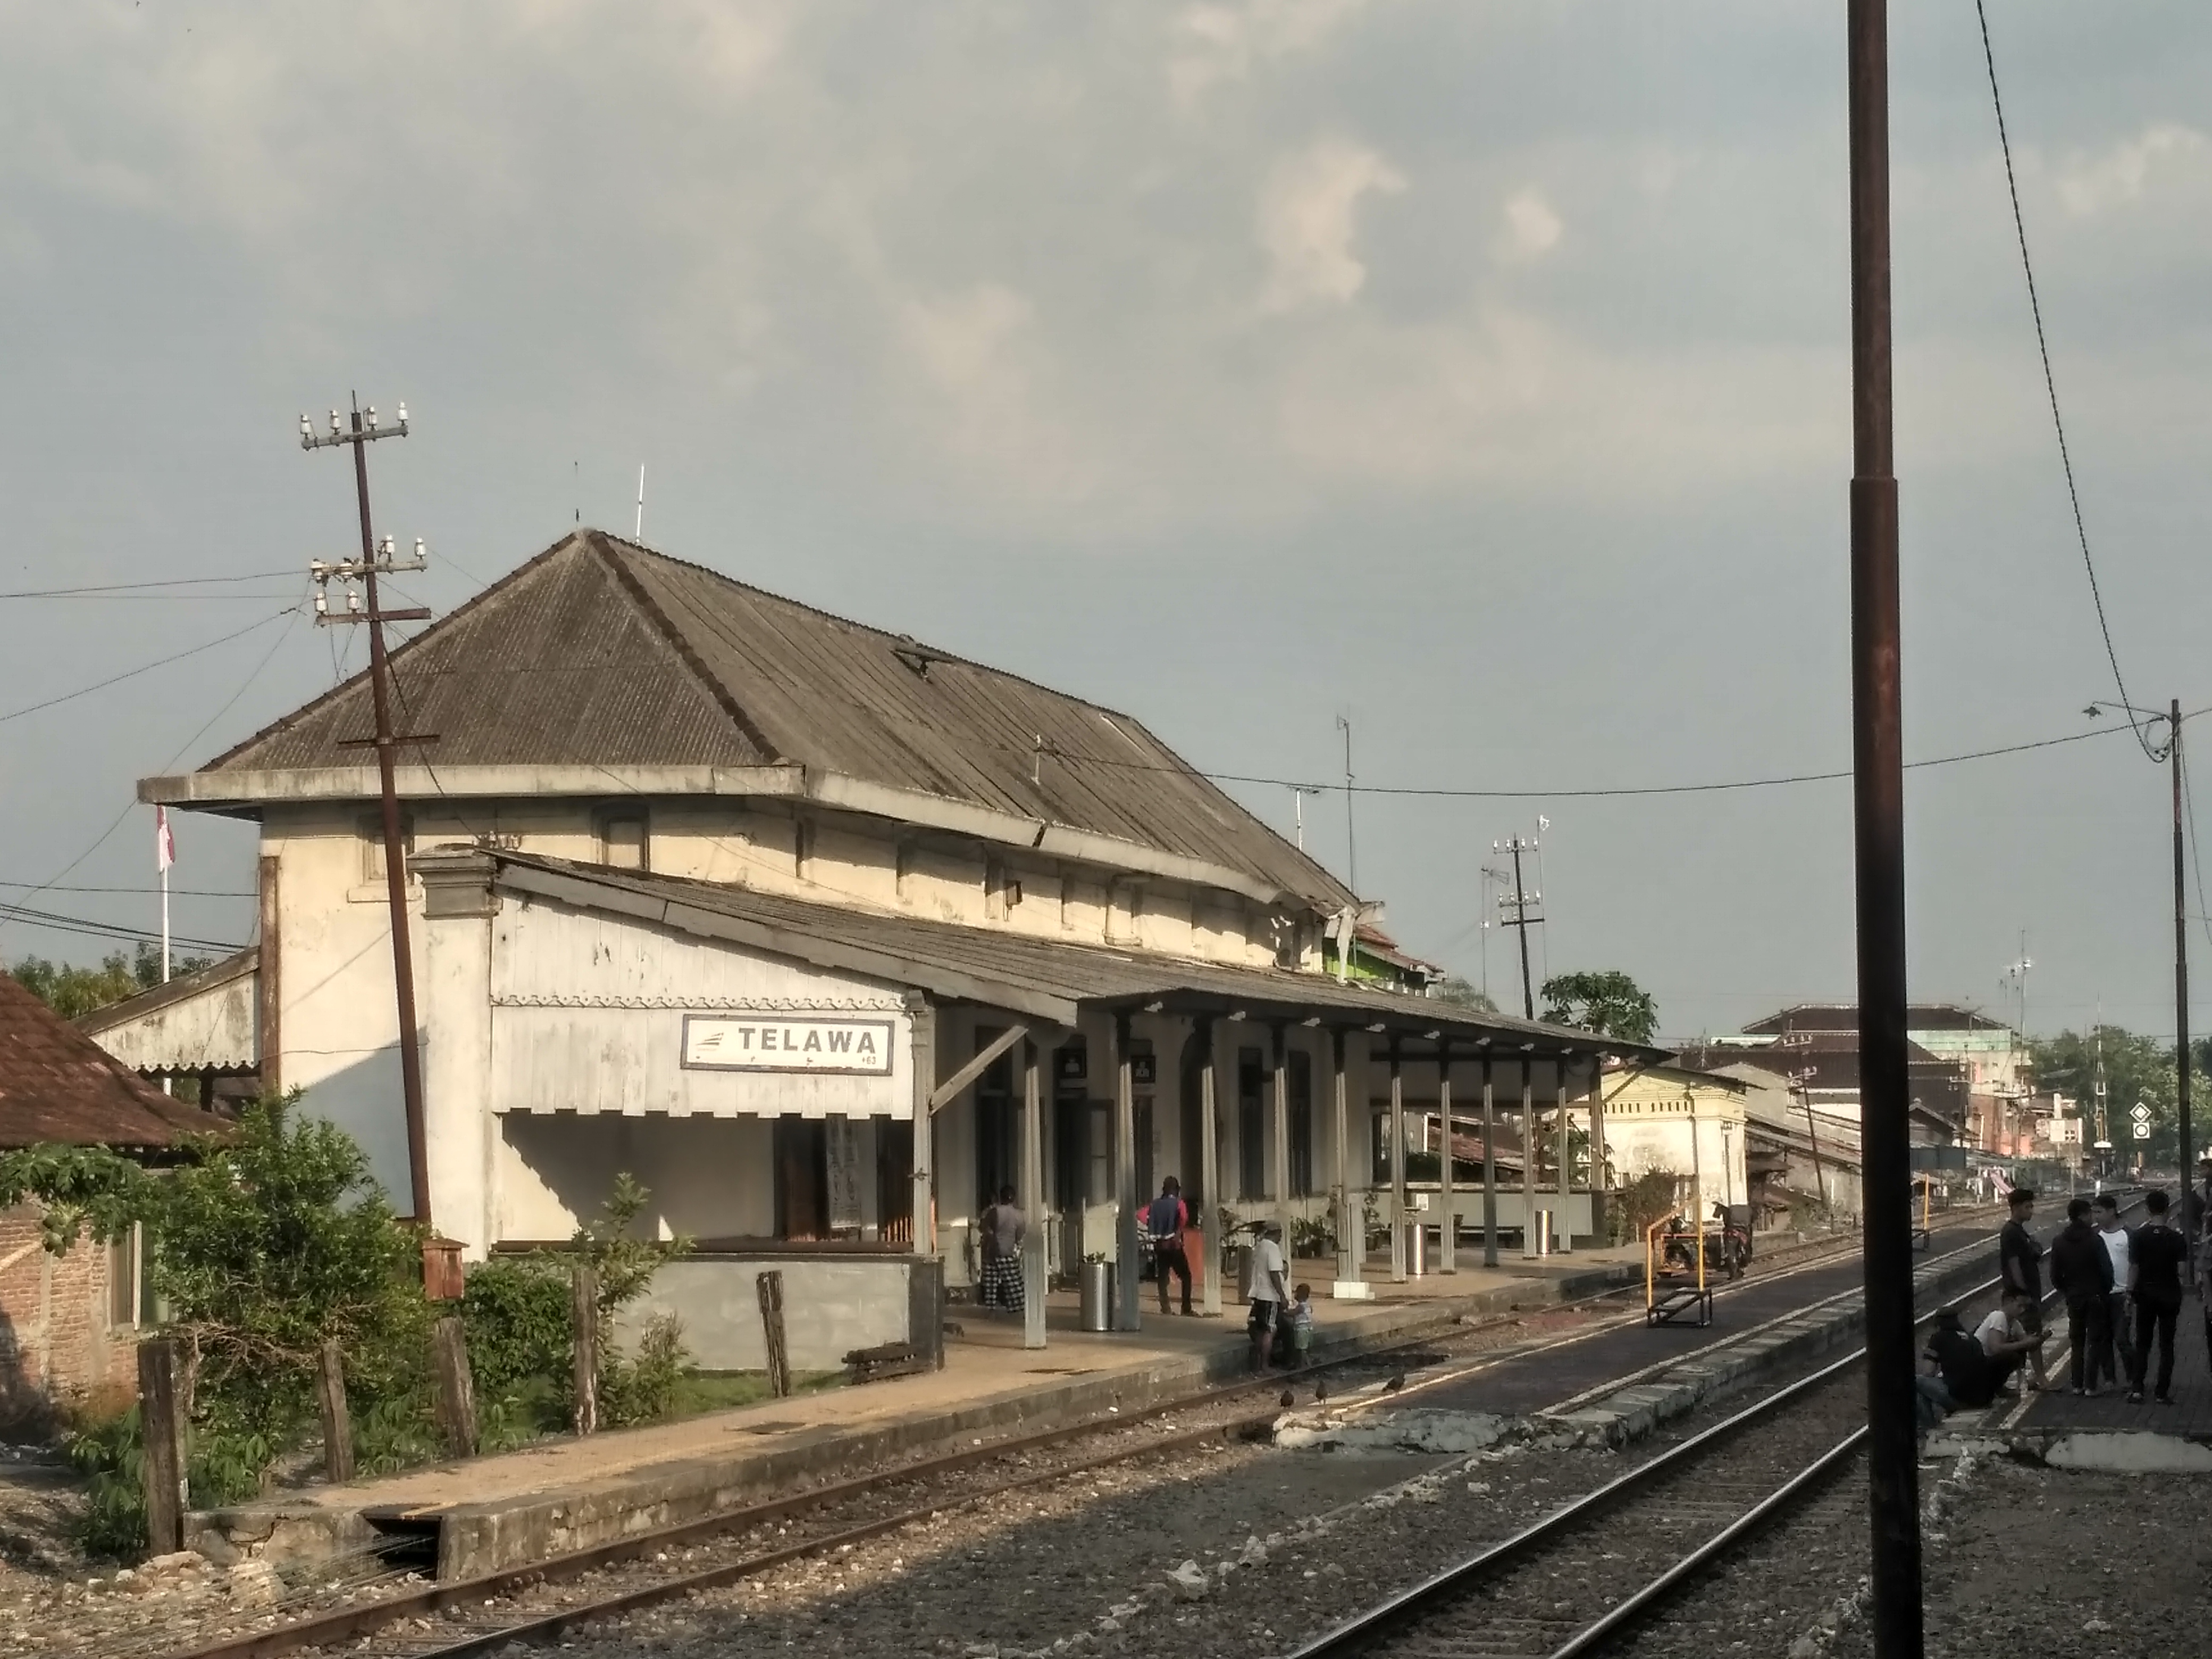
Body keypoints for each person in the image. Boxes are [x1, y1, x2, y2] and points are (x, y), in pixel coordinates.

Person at [2127, 1188, 2188, 1405]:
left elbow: (2134, 1268)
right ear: (2168, 1209)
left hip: (2145, 1294)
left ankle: (2137, 1390)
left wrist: (2128, 1293)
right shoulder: (2177, 1238)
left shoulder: (2138, 1237)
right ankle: (2162, 1393)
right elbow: (2182, 1270)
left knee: (2143, 1343)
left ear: (2147, 1209)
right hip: (2170, 1294)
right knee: (2167, 1344)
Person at [2048, 1195, 2114, 1396]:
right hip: (2094, 1296)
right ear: (2083, 1216)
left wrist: (2067, 1290)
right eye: (2090, 1213)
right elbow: (2107, 1270)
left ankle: (2076, 1384)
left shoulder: (2059, 1241)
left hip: (2074, 1298)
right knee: (2095, 1341)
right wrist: (2104, 1291)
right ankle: (2090, 1386)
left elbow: (2054, 1275)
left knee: (2076, 1342)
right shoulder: (2095, 1240)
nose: (2092, 1217)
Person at [1997, 1187, 2049, 1391]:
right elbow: (2014, 1263)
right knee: (2031, 1337)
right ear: (2016, 1208)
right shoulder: (2011, 1233)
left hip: (2026, 1291)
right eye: (2028, 1207)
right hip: (2022, 1294)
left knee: (2030, 1336)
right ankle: (2039, 1378)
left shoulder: (2019, 1231)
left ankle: (2032, 1378)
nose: (2031, 1211)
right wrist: (2022, 1292)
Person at [2091, 1193, 2134, 1390]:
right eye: (2093, 1212)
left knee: (2122, 1338)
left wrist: (2132, 1292)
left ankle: (2133, 1377)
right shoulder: (2095, 1237)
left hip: (2122, 1294)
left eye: (2099, 1212)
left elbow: (2135, 1264)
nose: (2096, 1216)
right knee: (2104, 1339)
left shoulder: (2127, 1235)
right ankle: (2110, 1379)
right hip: (2101, 1296)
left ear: (2112, 1212)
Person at [1145, 1177, 1194, 1316]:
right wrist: (1178, 1229)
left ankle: (1165, 1308)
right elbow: (1184, 1218)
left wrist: (1155, 1226)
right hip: (1174, 1245)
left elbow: (1141, 1215)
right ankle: (1186, 1308)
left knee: (1162, 1277)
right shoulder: (1179, 1203)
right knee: (1186, 1276)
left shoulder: (1154, 1204)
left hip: (1160, 1246)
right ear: (1176, 1189)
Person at [1246, 1221, 1289, 1372]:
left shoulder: (1259, 1246)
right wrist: (1282, 1296)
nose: (1280, 1238)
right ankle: (1265, 1365)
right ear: (1276, 1233)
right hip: (1269, 1295)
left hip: (1258, 1294)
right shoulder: (1272, 1248)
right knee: (1270, 1330)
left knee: (1260, 1329)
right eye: (1280, 1234)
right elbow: (1274, 1274)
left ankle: (1257, 1364)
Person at [979, 1185, 1025, 1312]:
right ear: (1014, 1198)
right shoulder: (1019, 1215)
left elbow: (984, 1227)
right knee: (1013, 1282)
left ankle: (991, 1309)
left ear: (1001, 1197)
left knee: (991, 1283)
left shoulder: (994, 1212)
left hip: (992, 1251)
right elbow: (1020, 1234)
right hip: (1008, 1251)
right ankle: (1016, 1307)